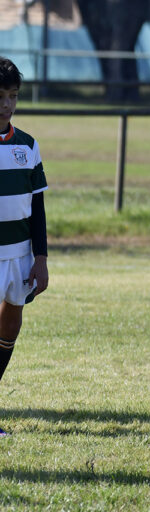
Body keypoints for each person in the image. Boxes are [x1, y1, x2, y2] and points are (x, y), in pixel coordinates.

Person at [0, 57, 49, 436]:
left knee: (11, 324)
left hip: (20, 254)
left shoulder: (27, 145)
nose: (6, 104)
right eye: (0, 96)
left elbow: (38, 206)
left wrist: (42, 258)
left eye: (13, 96)